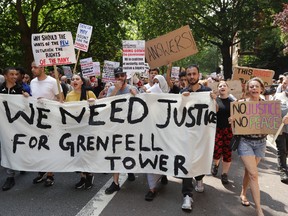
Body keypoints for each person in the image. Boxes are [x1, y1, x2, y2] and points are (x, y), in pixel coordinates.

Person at [179, 65, 217, 211]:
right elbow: (178, 114)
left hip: (202, 135)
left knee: (200, 159)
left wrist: (214, 100)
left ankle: (199, 178)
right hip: (186, 135)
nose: (191, 76)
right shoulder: (183, 92)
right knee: (186, 163)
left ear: (198, 75)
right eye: (189, 74)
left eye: (194, 74)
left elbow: (216, 110)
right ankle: (187, 195)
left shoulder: (207, 92)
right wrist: (183, 100)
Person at [229, 77, 267, 216]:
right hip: (245, 142)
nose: (254, 89)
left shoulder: (268, 105)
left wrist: (284, 120)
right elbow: (235, 126)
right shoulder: (241, 104)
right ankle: (259, 209)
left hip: (261, 143)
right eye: (251, 86)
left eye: (257, 86)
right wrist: (232, 120)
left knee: (249, 171)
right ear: (248, 89)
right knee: (254, 174)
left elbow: (274, 122)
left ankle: (243, 193)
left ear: (261, 89)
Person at [104, 67, 138, 195]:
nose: (120, 78)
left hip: (130, 125)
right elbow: (106, 104)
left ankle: (130, 169)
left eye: (122, 75)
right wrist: (116, 90)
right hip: (116, 126)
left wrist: (136, 94)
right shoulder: (112, 89)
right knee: (116, 152)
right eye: (117, 76)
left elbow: (142, 105)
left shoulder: (132, 88)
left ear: (126, 76)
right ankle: (115, 183)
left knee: (129, 149)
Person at [30, 61, 64, 187]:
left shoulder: (53, 82)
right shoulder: (32, 82)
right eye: (32, 67)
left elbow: (61, 99)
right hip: (37, 119)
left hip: (50, 119)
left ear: (42, 67)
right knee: (39, 145)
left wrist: (48, 103)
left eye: (35, 67)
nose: (33, 69)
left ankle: (50, 174)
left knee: (49, 145)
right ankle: (42, 171)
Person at [65, 74, 96, 189]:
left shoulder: (89, 93)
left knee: (86, 152)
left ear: (82, 82)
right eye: (72, 79)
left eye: (77, 79)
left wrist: (93, 102)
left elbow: (98, 109)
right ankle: (82, 177)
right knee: (78, 153)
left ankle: (89, 175)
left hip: (87, 127)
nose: (74, 81)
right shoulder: (69, 95)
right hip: (75, 128)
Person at [0, 67, 29, 191]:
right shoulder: (0, 89)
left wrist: (27, 97)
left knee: (18, 146)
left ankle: (20, 164)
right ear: (5, 76)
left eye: (16, 74)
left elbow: (28, 105)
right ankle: (10, 176)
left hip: (17, 124)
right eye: (11, 74)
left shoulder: (20, 89)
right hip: (3, 125)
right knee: (6, 147)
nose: (14, 76)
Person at [144, 74, 169, 201]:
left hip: (165, 133)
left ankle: (163, 173)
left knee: (162, 156)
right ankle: (151, 188)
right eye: (153, 83)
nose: (155, 86)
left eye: (158, 83)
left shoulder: (170, 96)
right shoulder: (149, 95)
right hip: (151, 131)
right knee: (150, 157)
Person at [211, 81, 235, 184]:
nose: (222, 87)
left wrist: (234, 118)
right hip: (217, 130)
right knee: (216, 152)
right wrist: (213, 99)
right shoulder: (214, 100)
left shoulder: (233, 101)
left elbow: (239, 115)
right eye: (220, 86)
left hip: (229, 130)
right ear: (218, 89)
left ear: (228, 88)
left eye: (224, 85)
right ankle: (215, 165)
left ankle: (224, 174)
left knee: (227, 153)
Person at [272, 86, 288, 184]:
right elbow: (269, 111)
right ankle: (283, 171)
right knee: (282, 149)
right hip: (280, 129)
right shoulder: (278, 96)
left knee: (286, 150)